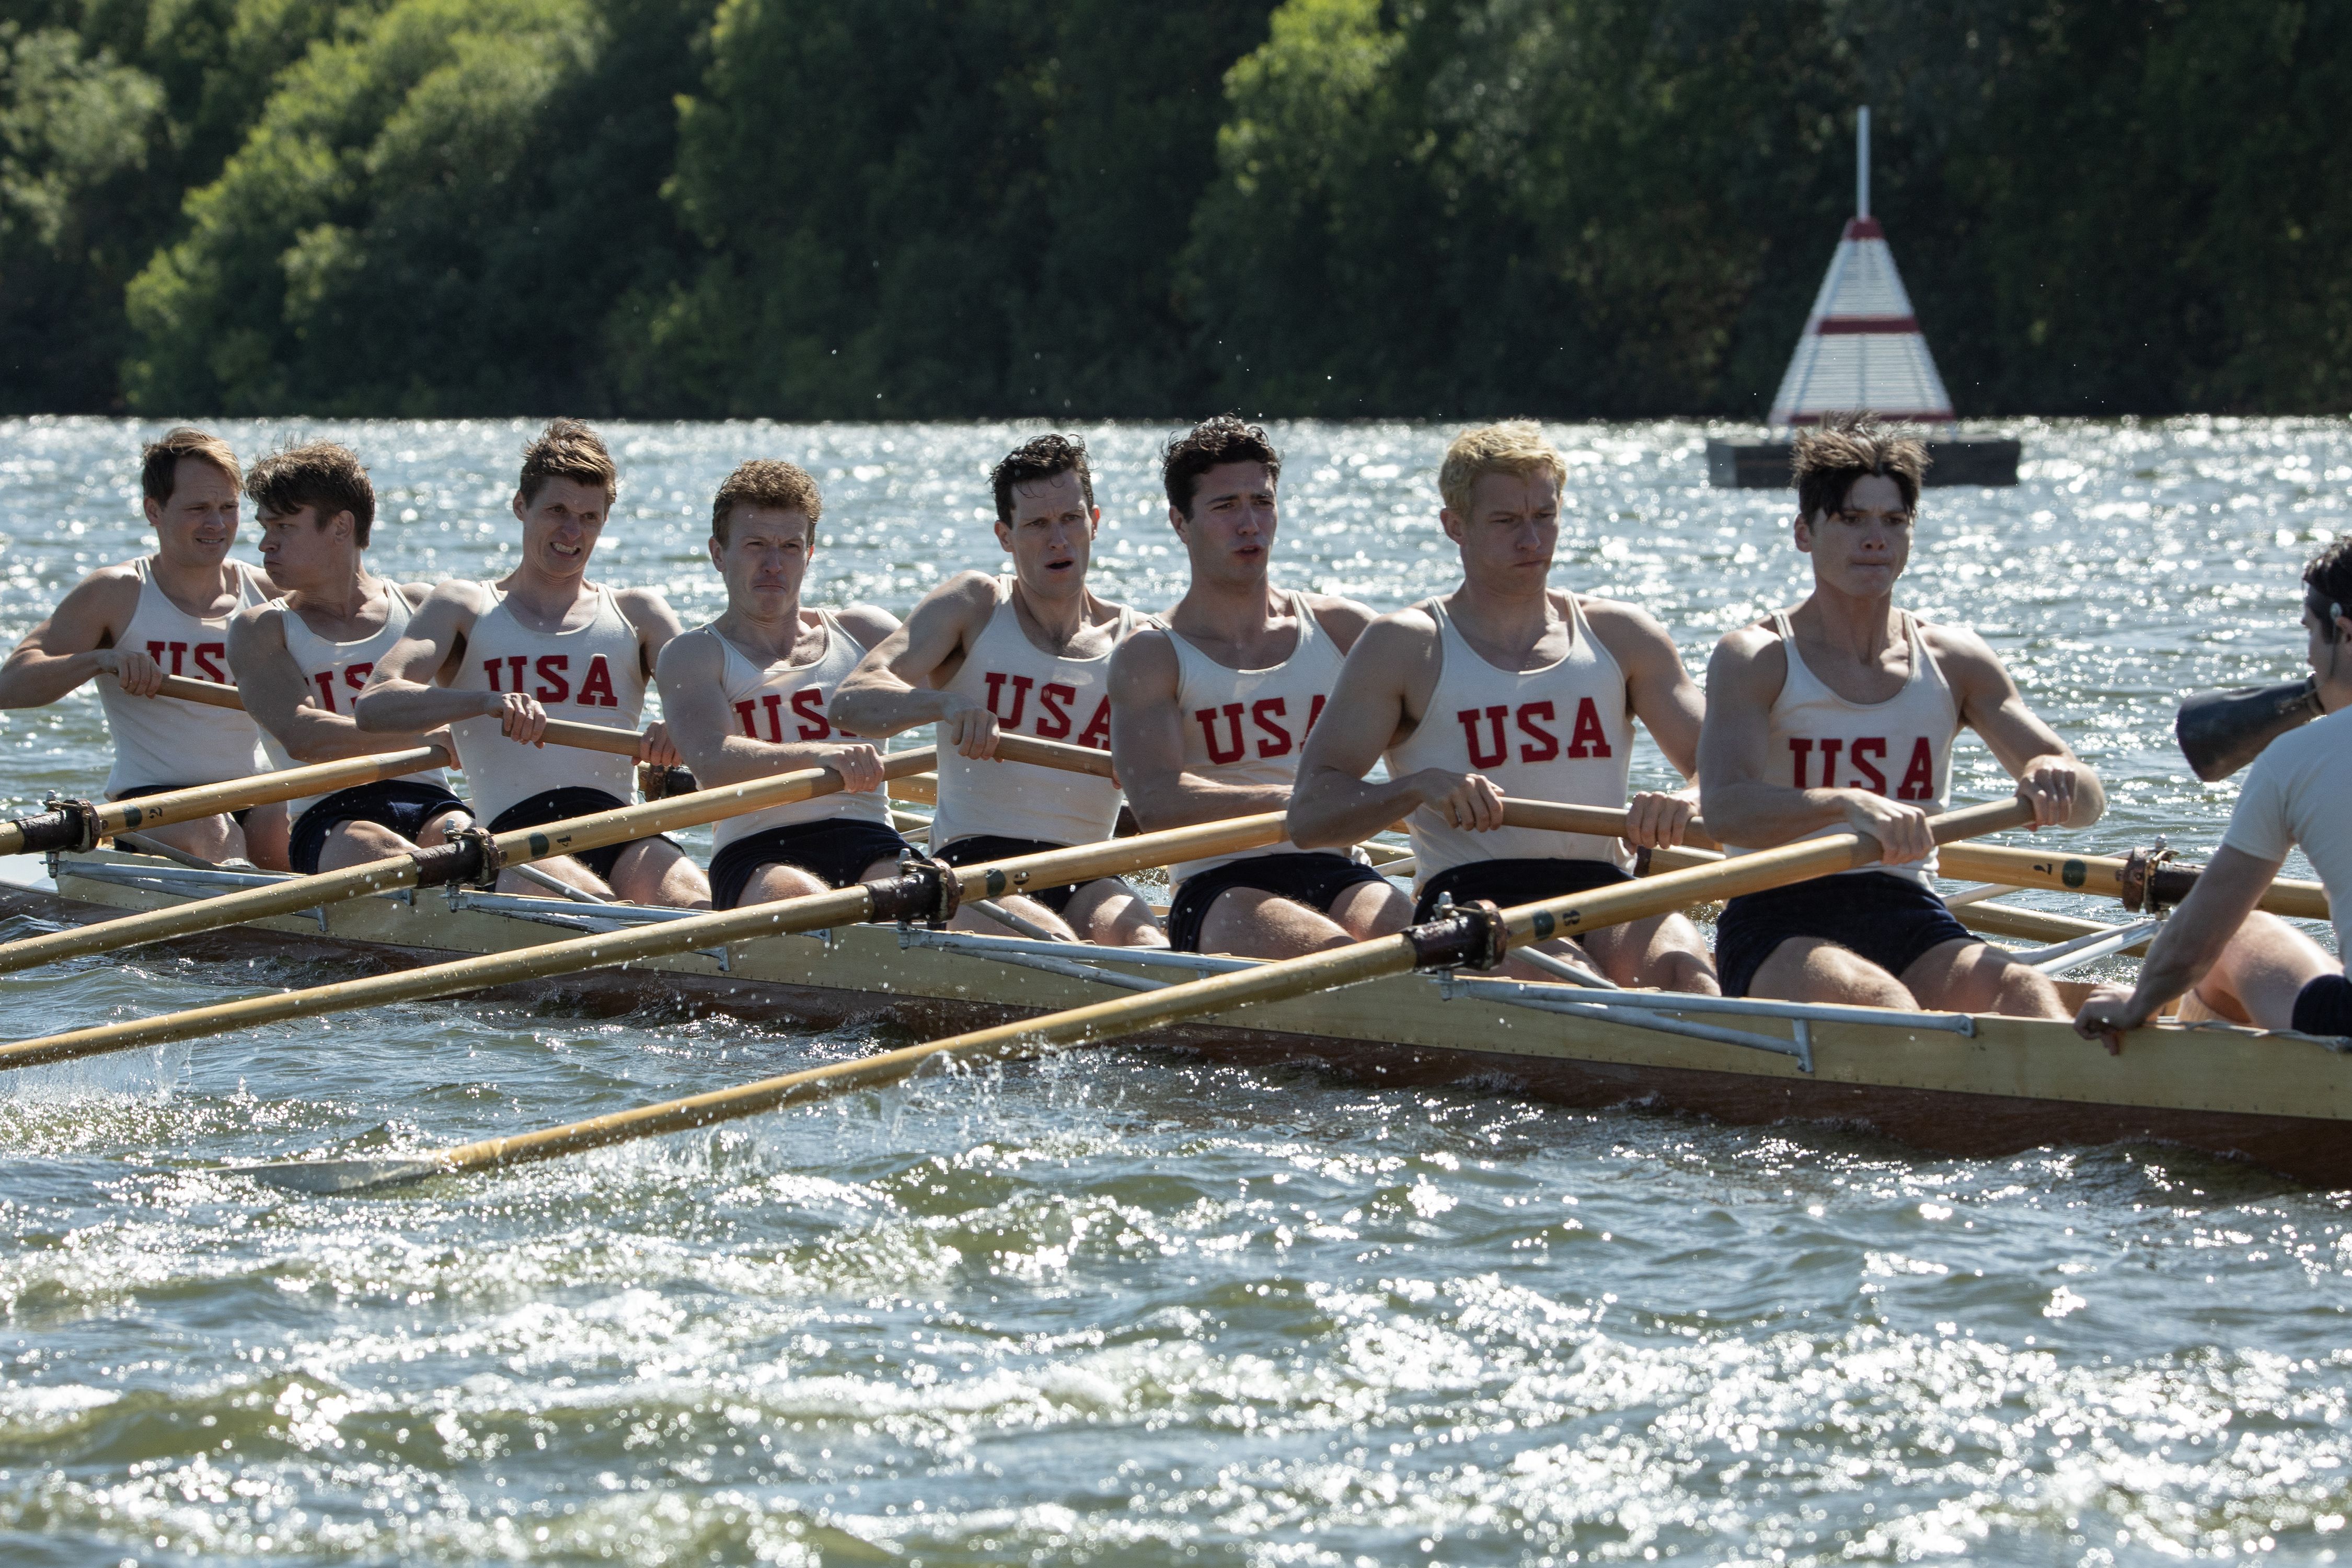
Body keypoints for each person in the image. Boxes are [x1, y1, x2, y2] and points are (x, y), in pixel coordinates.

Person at [1697, 416, 2103, 1017]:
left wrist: (2054, 774)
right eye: (1852, 520)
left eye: (1893, 522)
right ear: (1804, 534)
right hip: (1776, 913)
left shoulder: (1954, 658)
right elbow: (1726, 810)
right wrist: (1844, 803)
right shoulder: (1755, 658)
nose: (1875, 540)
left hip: (1906, 907)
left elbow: (2090, 805)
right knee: (1882, 1003)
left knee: (2025, 990)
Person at [1288, 422, 1716, 989]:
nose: (1532, 541)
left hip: (1605, 888)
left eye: (1545, 517)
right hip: (1473, 903)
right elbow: (1311, 814)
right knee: (1578, 987)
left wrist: (1685, 800)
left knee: (1687, 977)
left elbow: (1727, 769)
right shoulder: (1406, 646)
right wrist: (1416, 789)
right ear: (1454, 526)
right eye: (1507, 522)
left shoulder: (1622, 635)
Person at [355, 419, 709, 906]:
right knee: (591, 904)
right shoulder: (463, 607)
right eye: (558, 511)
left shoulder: (638, 613)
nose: (572, 532)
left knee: (695, 903)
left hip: (622, 829)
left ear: (606, 519)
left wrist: (682, 726)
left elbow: (718, 709)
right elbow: (374, 706)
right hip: (514, 838)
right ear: (521, 507)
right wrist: (482, 702)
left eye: (589, 517)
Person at [832, 434, 1166, 944]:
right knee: (1060, 950)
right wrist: (944, 705)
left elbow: (1189, 771)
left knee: (1152, 951)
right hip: (972, 868)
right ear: (1005, 536)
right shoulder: (976, 605)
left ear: (1094, 523)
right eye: (1036, 525)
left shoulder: (1140, 641)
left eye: (1071, 519)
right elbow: (853, 702)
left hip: (1088, 871)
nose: (1058, 539)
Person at [1108, 416, 1413, 956]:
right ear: (1181, 523)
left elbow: (1439, 735)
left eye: (1262, 503)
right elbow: (1154, 801)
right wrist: (1296, 800)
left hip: (1336, 868)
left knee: (1432, 948)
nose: (1249, 524)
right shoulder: (1152, 653)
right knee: (1345, 957)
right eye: (1226, 507)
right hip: (1219, 884)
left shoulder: (1345, 630)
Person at [2075, 539, 2352, 1045]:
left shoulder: (2294, 759)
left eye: (2311, 635)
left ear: (2346, 632)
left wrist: (2138, 1002)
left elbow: (2196, 940)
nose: (2310, 661)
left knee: (2239, 936)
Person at [0, 426, 288, 868]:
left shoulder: (269, 594)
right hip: (150, 804)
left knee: (290, 820)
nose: (217, 524)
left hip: (253, 796)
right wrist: (101, 660)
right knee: (215, 829)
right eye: (198, 508)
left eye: (228, 508)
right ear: (154, 511)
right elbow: (12, 685)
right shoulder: (116, 593)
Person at [655, 460, 909, 910]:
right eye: (756, 545)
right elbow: (712, 761)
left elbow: (962, 691)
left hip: (871, 838)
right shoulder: (693, 655)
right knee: (809, 903)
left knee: (905, 900)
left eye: (790, 547)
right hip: (759, 851)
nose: (774, 565)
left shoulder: (867, 633)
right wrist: (819, 753)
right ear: (718, 554)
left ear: (809, 555)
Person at [226, 443, 471, 876]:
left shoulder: (421, 606)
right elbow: (304, 737)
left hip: (432, 802)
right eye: (266, 528)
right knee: (399, 858)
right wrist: (424, 737)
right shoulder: (261, 629)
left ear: (341, 527)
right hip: (330, 816)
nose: (266, 544)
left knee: (471, 842)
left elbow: (506, 684)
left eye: (283, 527)